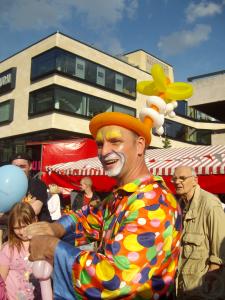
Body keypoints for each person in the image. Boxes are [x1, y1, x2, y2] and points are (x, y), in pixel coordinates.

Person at [27, 111, 182, 299]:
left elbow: (115, 279)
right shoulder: (121, 196)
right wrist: (56, 228)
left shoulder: (154, 202)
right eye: (100, 144)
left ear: (139, 145)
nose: (104, 151)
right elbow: (89, 216)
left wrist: (53, 247)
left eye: (115, 141)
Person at [171, 165, 225, 299]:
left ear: (195, 180)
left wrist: (209, 288)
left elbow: (219, 254)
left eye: (182, 178)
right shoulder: (179, 204)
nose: (177, 182)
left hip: (201, 290)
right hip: (182, 286)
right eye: (175, 179)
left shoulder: (210, 204)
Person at [0, 202, 41, 300]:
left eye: (25, 226)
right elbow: (1, 279)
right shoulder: (9, 249)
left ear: (34, 221)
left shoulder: (42, 244)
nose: (22, 232)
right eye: (17, 228)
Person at [11, 152, 52, 222]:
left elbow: (35, 210)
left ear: (30, 167)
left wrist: (8, 215)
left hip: (35, 229)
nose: (18, 170)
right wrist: (27, 207)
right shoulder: (6, 185)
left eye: (22, 166)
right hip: (13, 229)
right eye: (15, 167)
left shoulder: (38, 184)